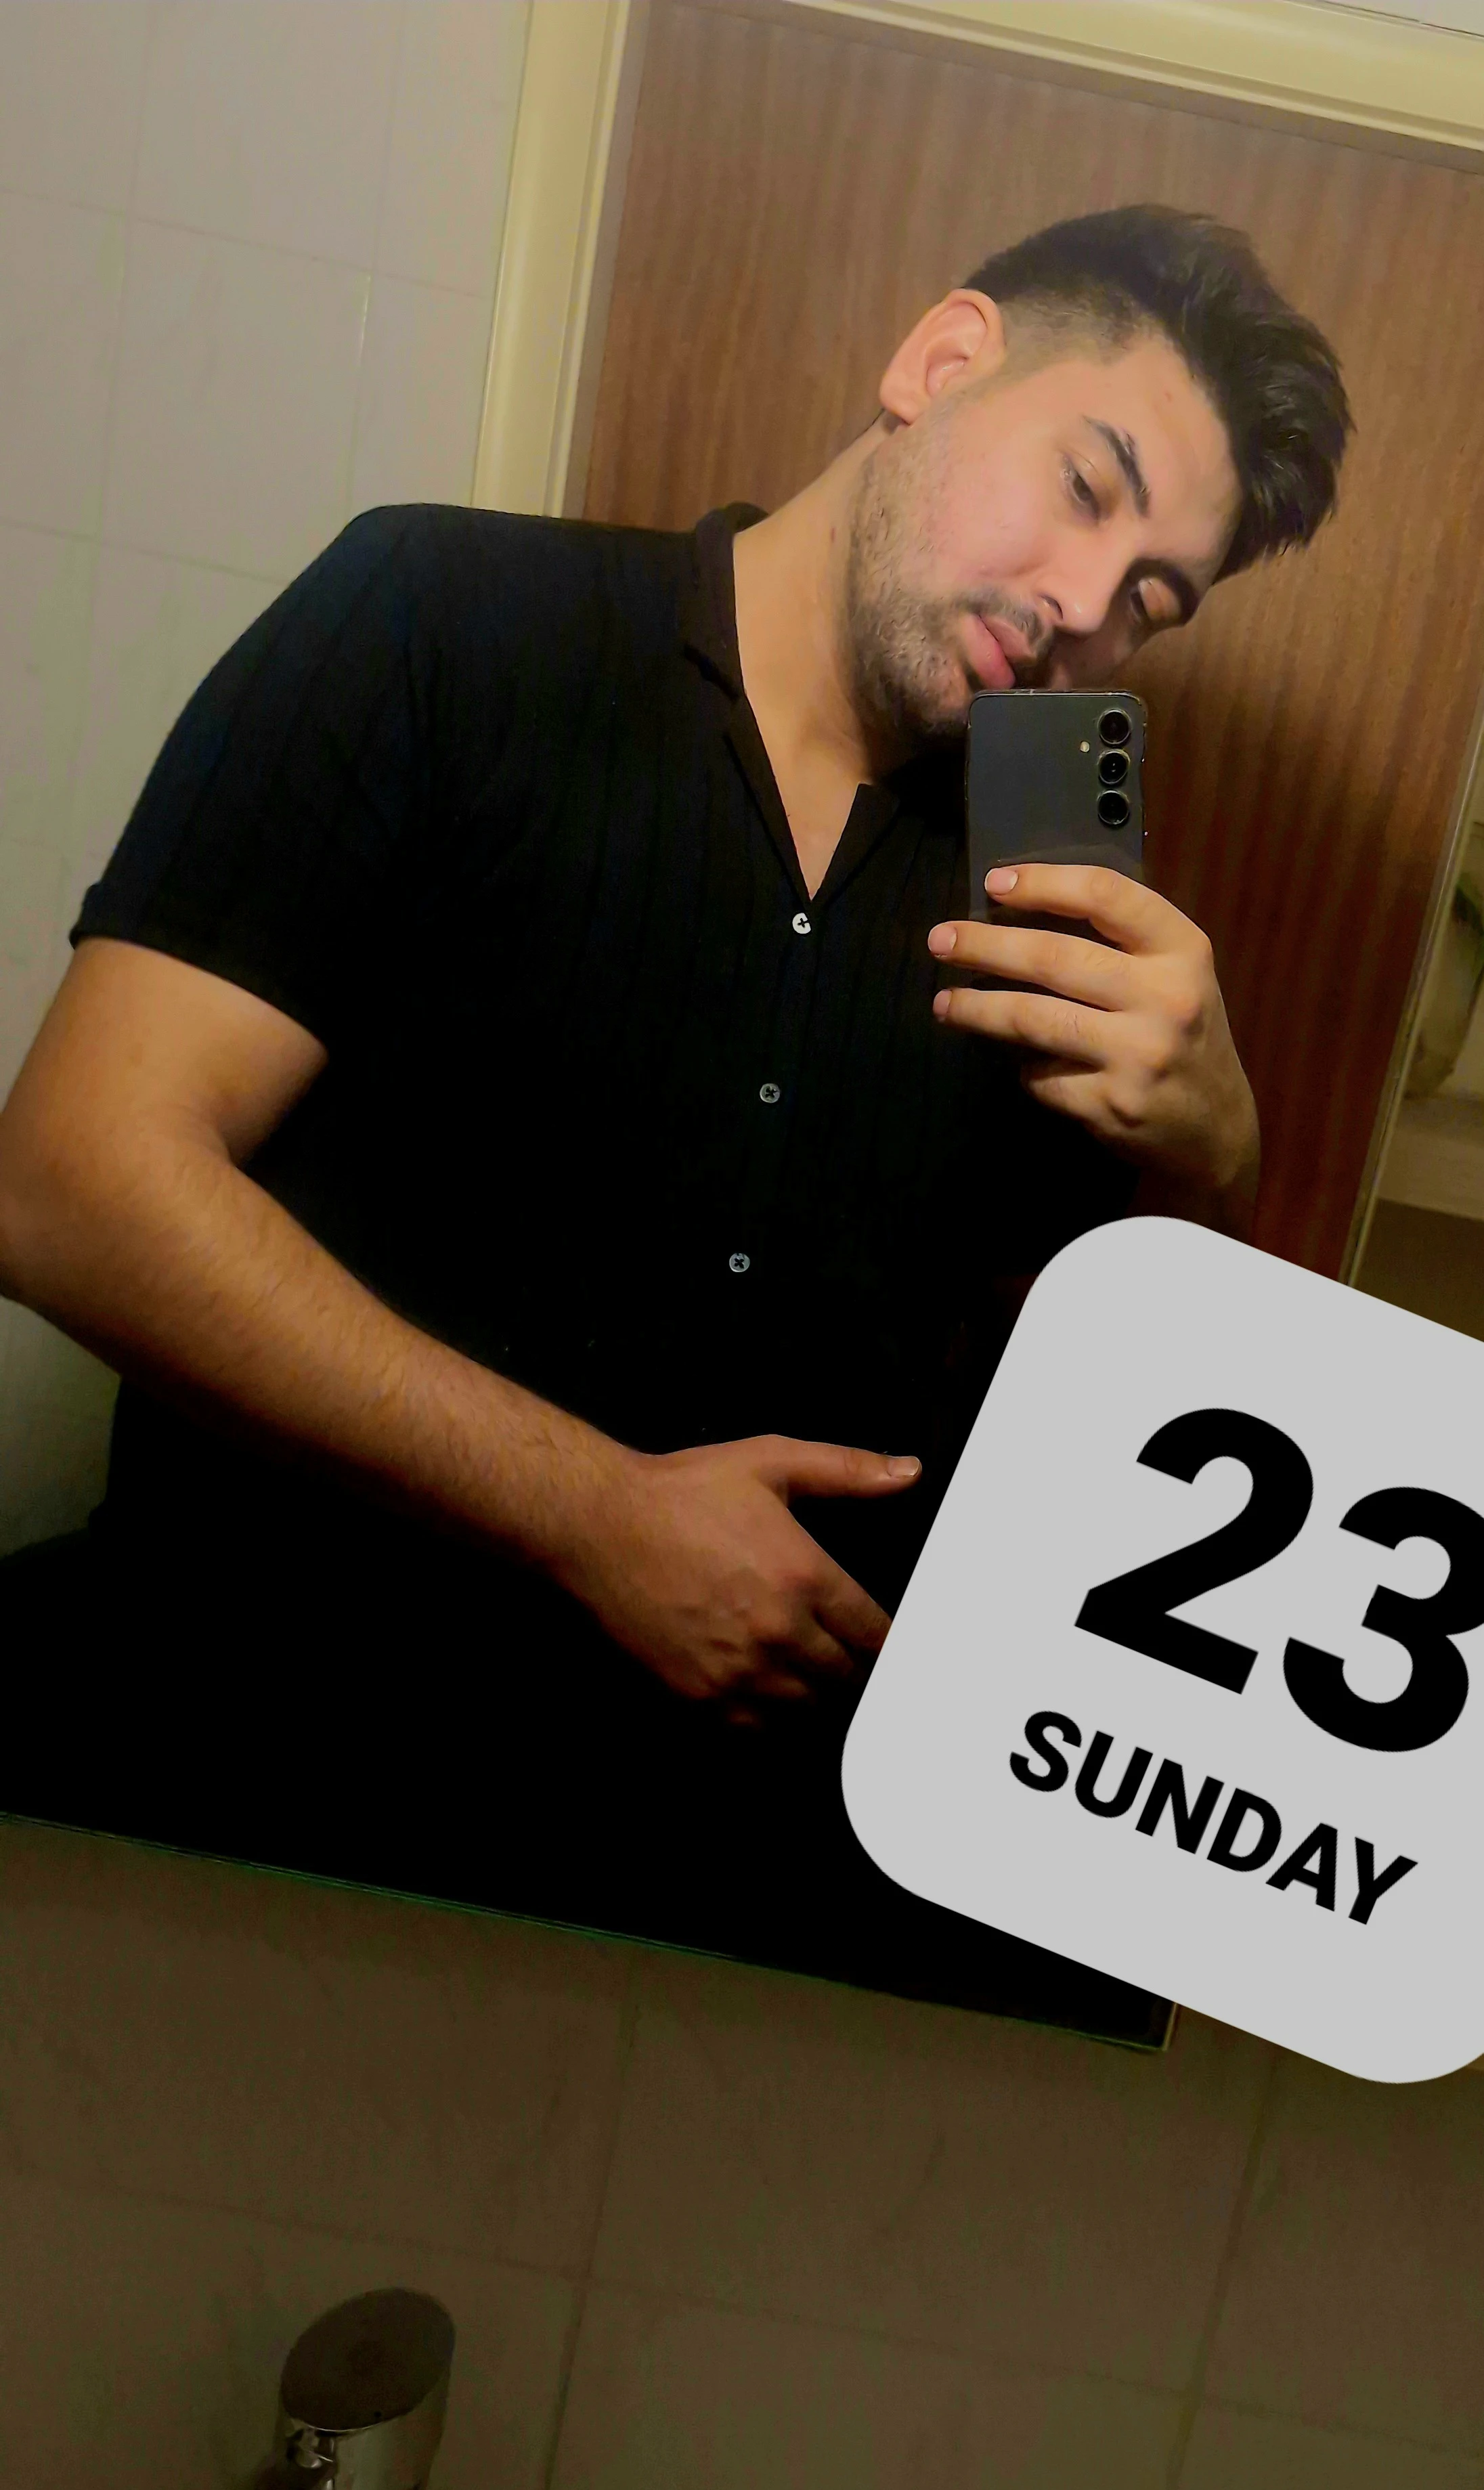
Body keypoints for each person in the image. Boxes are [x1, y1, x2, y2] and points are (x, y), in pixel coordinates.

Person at [0, 206, 1351, 2032]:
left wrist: (1208, 1159)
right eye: (1085, 485)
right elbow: (67, 1183)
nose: (1085, 606)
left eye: (1155, 600)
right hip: (243, 1810)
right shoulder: (437, 618)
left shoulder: (1048, 896)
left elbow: (1102, 1471)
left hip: (738, 1927)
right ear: (942, 362)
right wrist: (593, 1514)